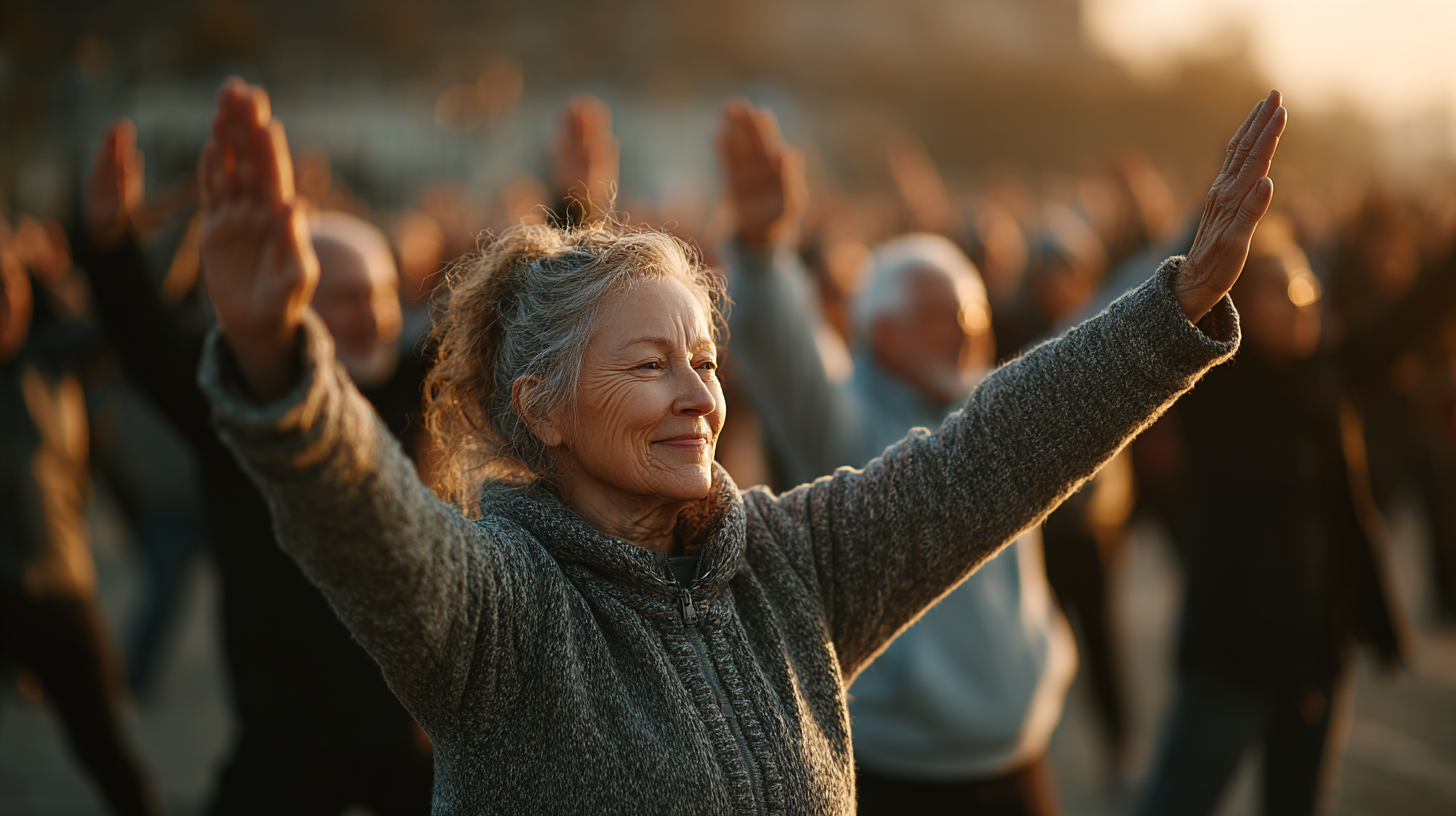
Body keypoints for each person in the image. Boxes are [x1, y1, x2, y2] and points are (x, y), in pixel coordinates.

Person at [195, 77, 1283, 813]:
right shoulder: (499, 613)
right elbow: (365, 521)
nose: (696, 398)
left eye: (706, 363)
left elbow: (985, 457)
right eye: (647, 365)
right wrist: (279, 368)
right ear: (542, 408)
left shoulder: (787, 565)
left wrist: (1173, 308)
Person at [716, 99, 1074, 815]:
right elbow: (789, 353)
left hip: (1020, 756)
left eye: (973, 318)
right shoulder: (849, 432)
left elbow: (1106, 344)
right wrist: (760, 248)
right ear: (883, 336)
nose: (966, 337)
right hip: (901, 772)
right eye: (942, 319)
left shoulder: (993, 410)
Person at [76, 120, 433, 815]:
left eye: (383, 294)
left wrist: (573, 197)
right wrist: (110, 244)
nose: (373, 316)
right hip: (282, 742)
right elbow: (146, 344)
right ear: (290, 299)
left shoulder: (415, 393)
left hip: (408, 733)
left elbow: (519, 324)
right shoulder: (238, 409)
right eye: (348, 296)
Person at [1134, 217, 1414, 816]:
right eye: (1282, 291)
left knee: (1300, 804)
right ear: (1240, 306)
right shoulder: (1214, 388)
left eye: (1307, 287)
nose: (1302, 303)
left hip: (1317, 646)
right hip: (1236, 653)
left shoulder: (1325, 376)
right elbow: (1163, 302)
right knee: (1176, 803)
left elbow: (1410, 320)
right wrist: (1215, 215)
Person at [0, 231, 162, 816]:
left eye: (8, 285)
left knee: (109, 755)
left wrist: (184, 221)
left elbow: (135, 314)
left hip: (55, 587)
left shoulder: (51, 358)